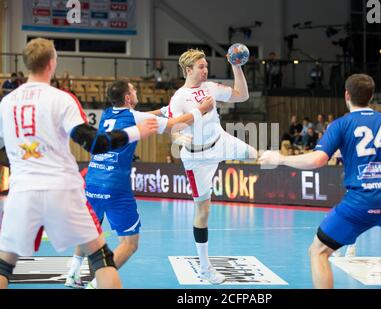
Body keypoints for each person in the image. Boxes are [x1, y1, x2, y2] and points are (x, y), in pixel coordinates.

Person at [259, 74, 381, 289]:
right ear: (371, 96)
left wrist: (280, 158)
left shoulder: (341, 124)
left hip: (361, 200)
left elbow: (318, 160)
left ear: (347, 95)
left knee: (318, 251)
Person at [0, 38, 158, 289]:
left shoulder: (6, 103)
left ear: (26, 63)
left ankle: (69, 272)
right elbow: (95, 144)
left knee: (4, 266)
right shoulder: (62, 99)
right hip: (61, 190)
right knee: (102, 259)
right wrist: (134, 132)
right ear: (52, 63)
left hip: (22, 192)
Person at [65, 79, 214, 289]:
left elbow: (142, 117)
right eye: (133, 90)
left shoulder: (108, 113)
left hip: (92, 182)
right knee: (129, 244)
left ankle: (72, 274)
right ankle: (97, 283)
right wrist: (201, 110)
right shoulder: (134, 116)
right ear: (127, 98)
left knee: (89, 231)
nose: (136, 91)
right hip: (115, 186)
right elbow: (175, 125)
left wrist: (163, 110)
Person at [167, 48, 257, 284]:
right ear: (188, 70)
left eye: (206, 65)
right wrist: (180, 139)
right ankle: (205, 268)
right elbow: (174, 129)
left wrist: (236, 66)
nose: (205, 70)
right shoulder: (179, 97)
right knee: (203, 212)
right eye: (200, 66)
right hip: (196, 159)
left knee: (258, 155)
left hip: (221, 141)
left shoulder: (210, 88)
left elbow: (242, 95)